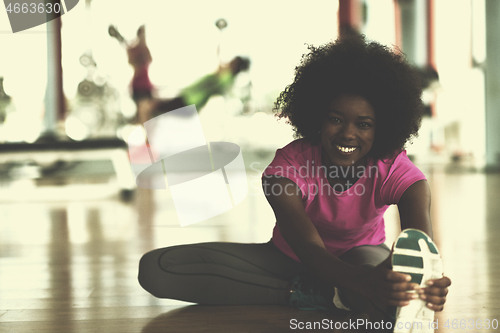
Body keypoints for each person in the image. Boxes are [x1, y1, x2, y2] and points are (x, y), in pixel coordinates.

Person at [137, 33, 451, 330]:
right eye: (336, 119)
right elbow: (309, 249)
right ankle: (330, 295)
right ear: (318, 117)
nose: (348, 134)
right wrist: (362, 285)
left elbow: (422, 249)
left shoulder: (396, 170)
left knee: (381, 282)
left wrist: (423, 281)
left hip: (363, 256)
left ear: (382, 128)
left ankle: (333, 293)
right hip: (290, 259)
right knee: (158, 269)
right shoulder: (286, 168)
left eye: (364, 124)